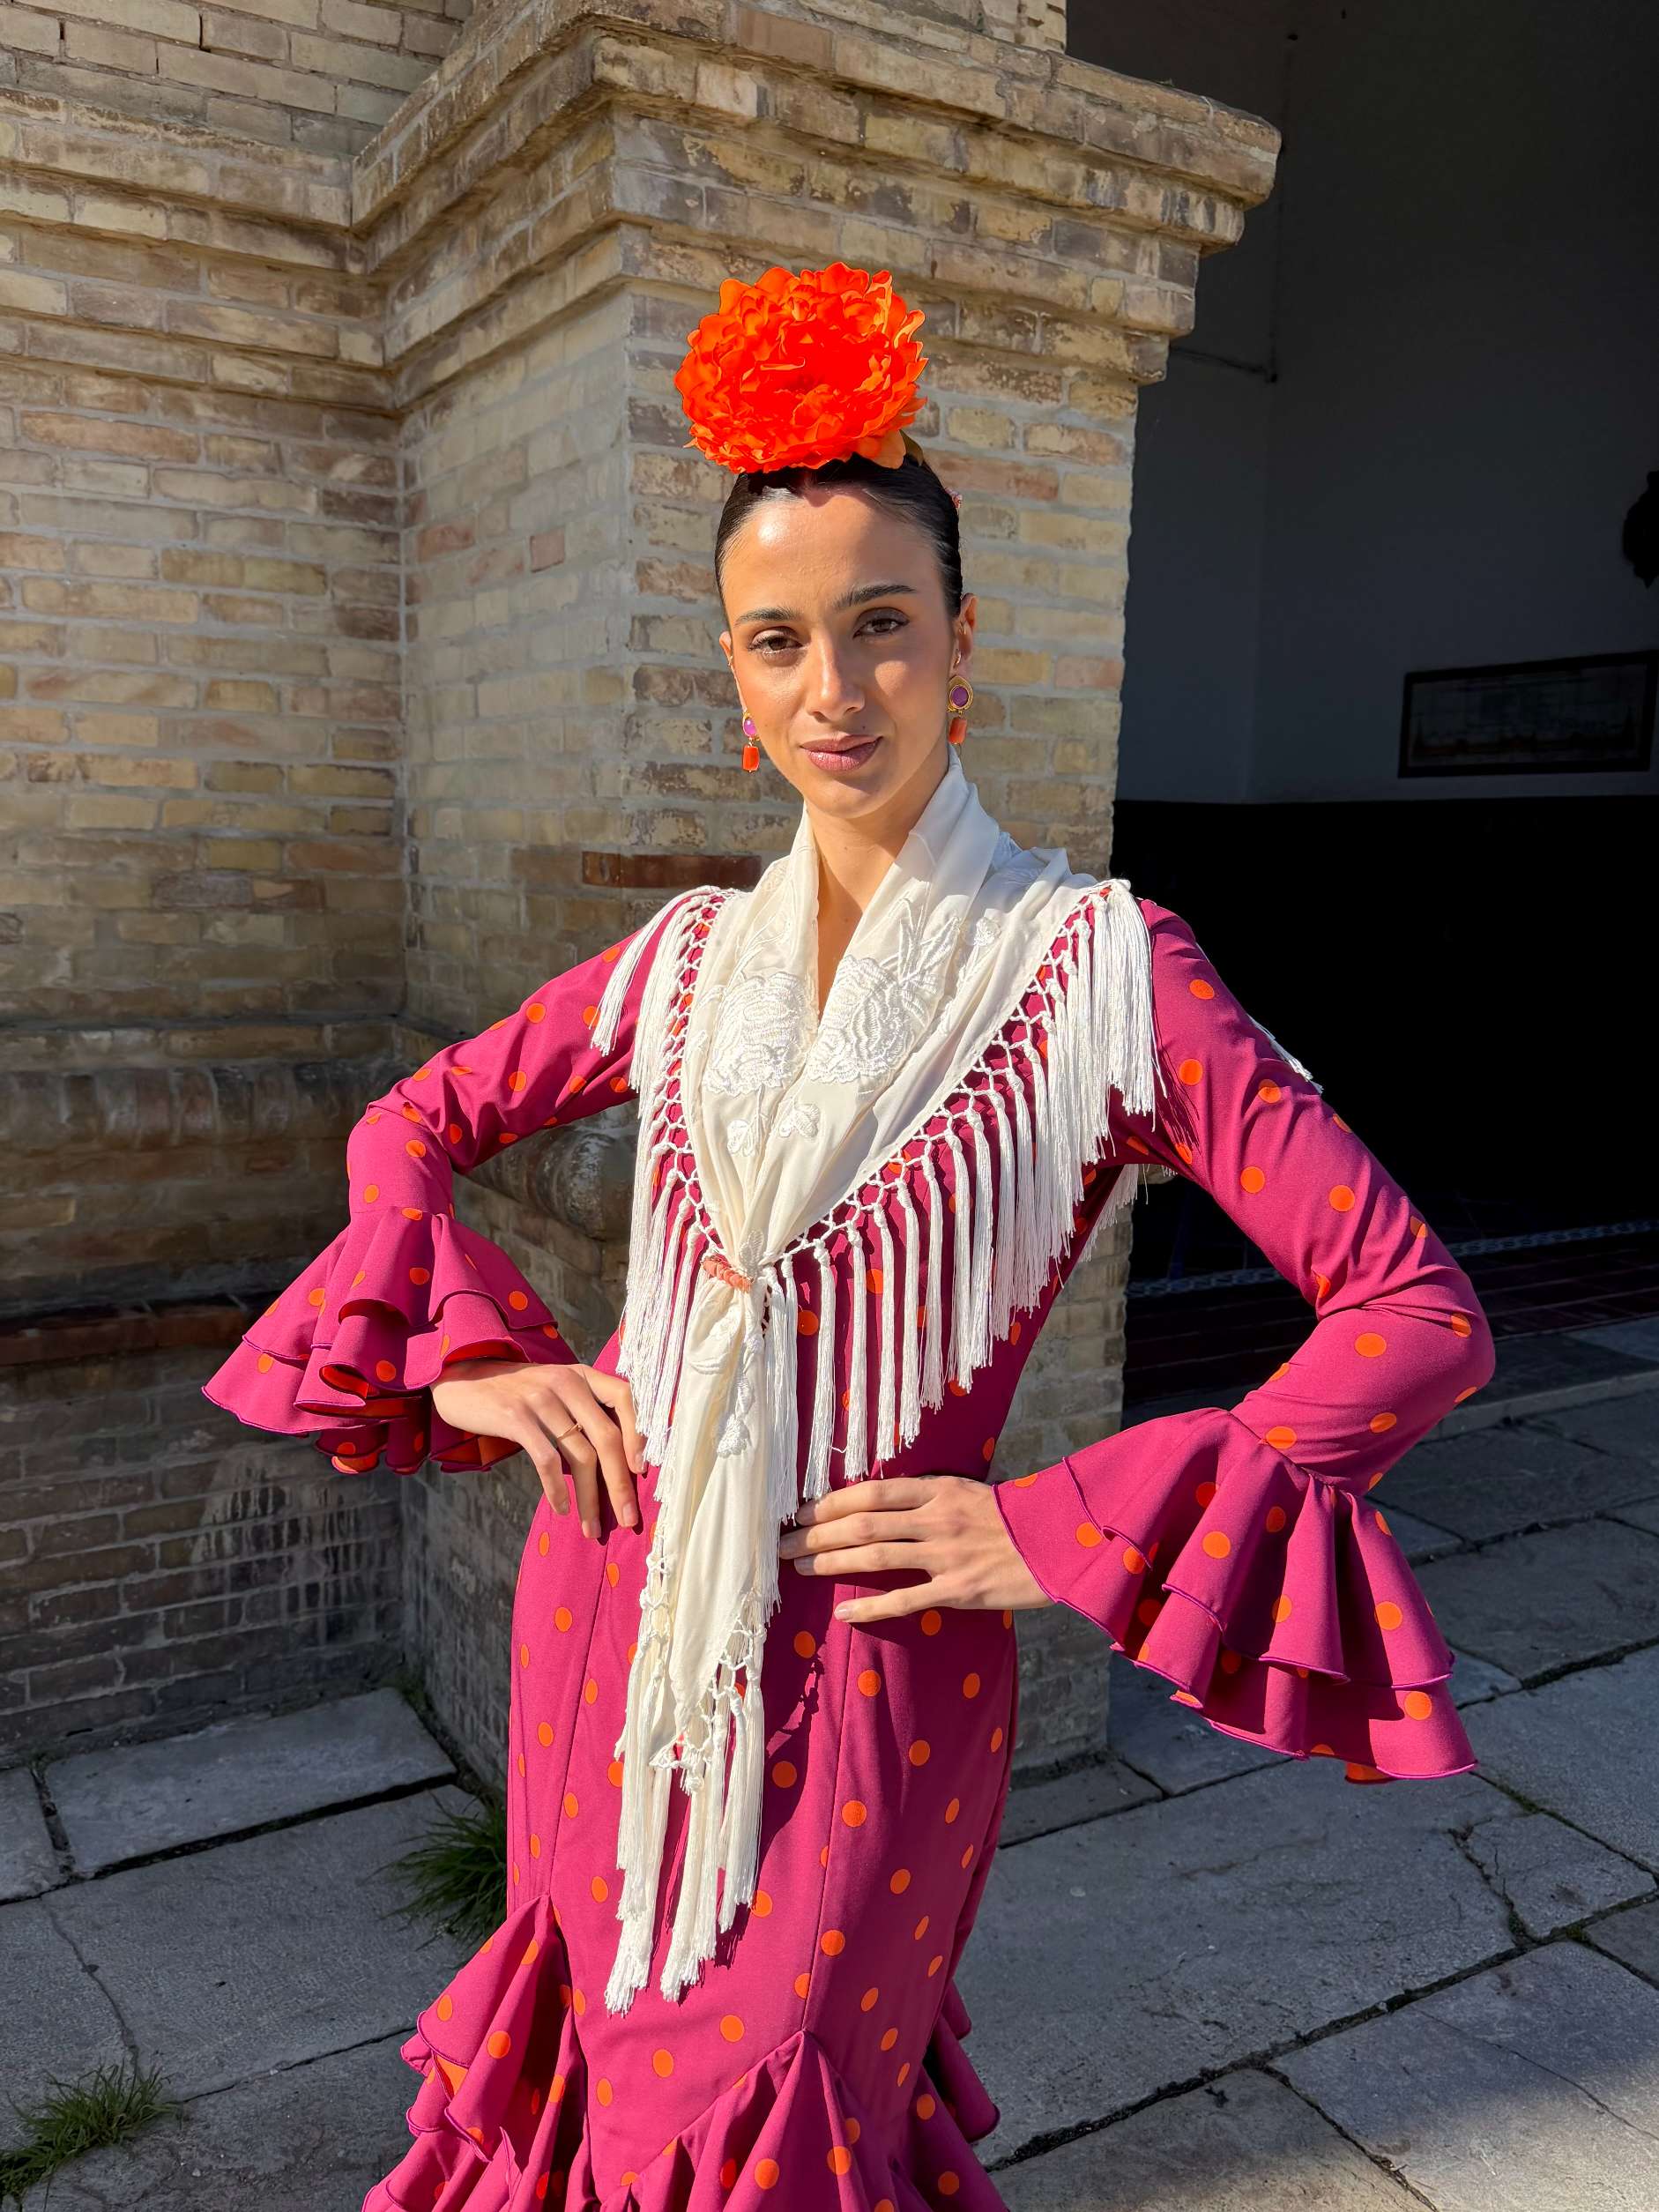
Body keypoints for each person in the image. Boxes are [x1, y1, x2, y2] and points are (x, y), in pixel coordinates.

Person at [201, 261, 1496, 2212]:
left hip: (882, 1650)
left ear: (961, 648)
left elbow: (1412, 1314)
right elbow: (412, 1123)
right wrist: (481, 1352)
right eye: (776, 640)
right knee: (581, 2086)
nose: (832, 691)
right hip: (612, 1606)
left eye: (878, 628)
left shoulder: (1097, 972)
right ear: (731, 674)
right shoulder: (683, 963)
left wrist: (1051, 1526)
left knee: (792, 2098)